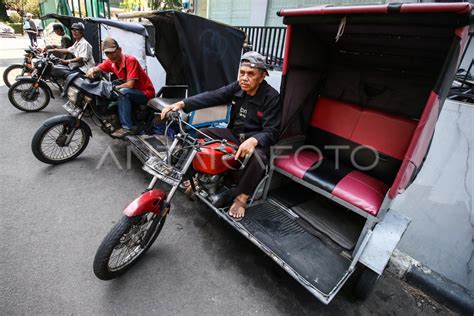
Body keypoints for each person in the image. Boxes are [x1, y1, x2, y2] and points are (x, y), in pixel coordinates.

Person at [161, 51, 281, 220]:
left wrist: (254, 140)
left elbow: (273, 131)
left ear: (262, 77)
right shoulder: (238, 87)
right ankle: (194, 178)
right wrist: (182, 103)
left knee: (259, 157)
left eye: (251, 74)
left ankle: (241, 198)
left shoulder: (272, 97)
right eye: (242, 73)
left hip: (256, 139)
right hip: (234, 134)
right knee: (202, 134)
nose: (245, 78)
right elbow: (212, 96)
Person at [86, 37, 156, 138]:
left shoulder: (130, 60)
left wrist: (113, 87)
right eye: (107, 53)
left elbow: (130, 84)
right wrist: (91, 70)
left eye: (112, 52)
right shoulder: (111, 62)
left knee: (123, 92)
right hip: (132, 91)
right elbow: (97, 68)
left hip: (145, 93)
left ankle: (127, 127)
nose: (110, 55)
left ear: (119, 50)